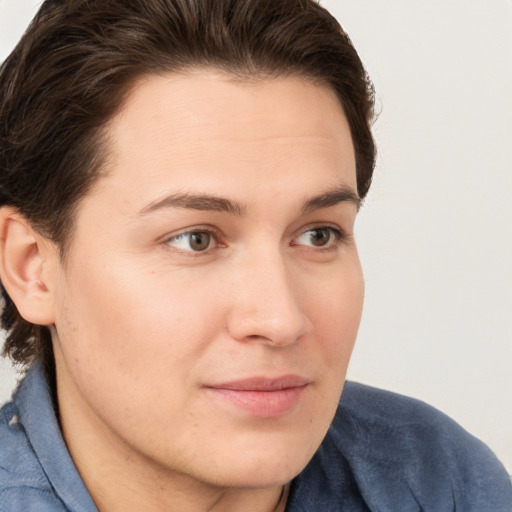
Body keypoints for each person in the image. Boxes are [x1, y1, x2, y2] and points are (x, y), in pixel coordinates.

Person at [0, 0, 510, 510]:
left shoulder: (443, 482)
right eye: (195, 238)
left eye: (318, 235)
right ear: (32, 269)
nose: (280, 319)